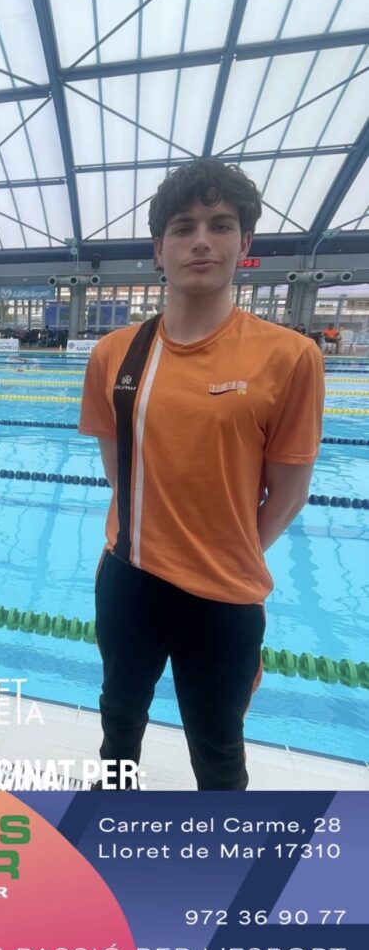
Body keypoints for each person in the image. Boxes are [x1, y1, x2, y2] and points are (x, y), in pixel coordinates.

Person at [79, 158, 324, 791]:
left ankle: (218, 850)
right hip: (129, 579)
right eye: (183, 228)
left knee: (218, 752)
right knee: (118, 723)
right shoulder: (115, 354)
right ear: (158, 249)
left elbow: (289, 492)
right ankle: (115, 821)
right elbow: (117, 471)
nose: (201, 241)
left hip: (225, 596)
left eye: (220, 225)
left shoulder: (290, 357)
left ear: (245, 243)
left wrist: (225, 551)